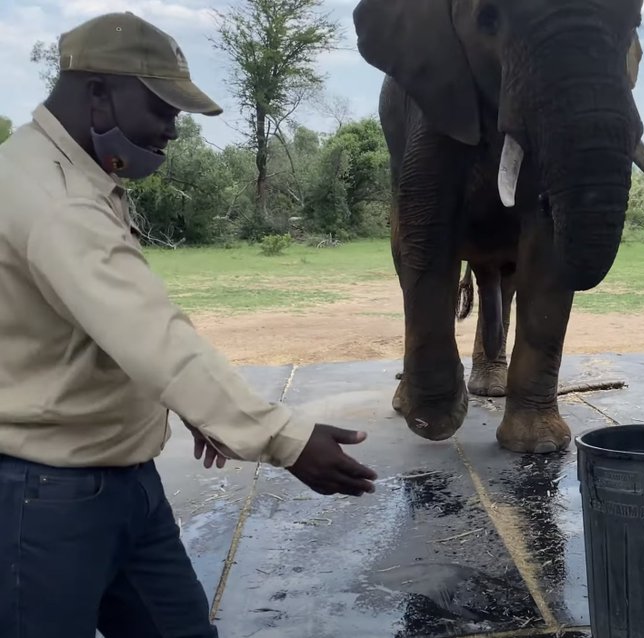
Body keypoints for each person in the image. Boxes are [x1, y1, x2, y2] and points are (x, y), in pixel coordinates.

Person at [0, 12, 378, 638]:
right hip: (50, 500)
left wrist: (197, 408)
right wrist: (282, 437)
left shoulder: (65, 176)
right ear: (97, 92)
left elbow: (100, 333)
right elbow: (155, 336)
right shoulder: (56, 202)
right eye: (162, 109)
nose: (172, 130)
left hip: (124, 482)